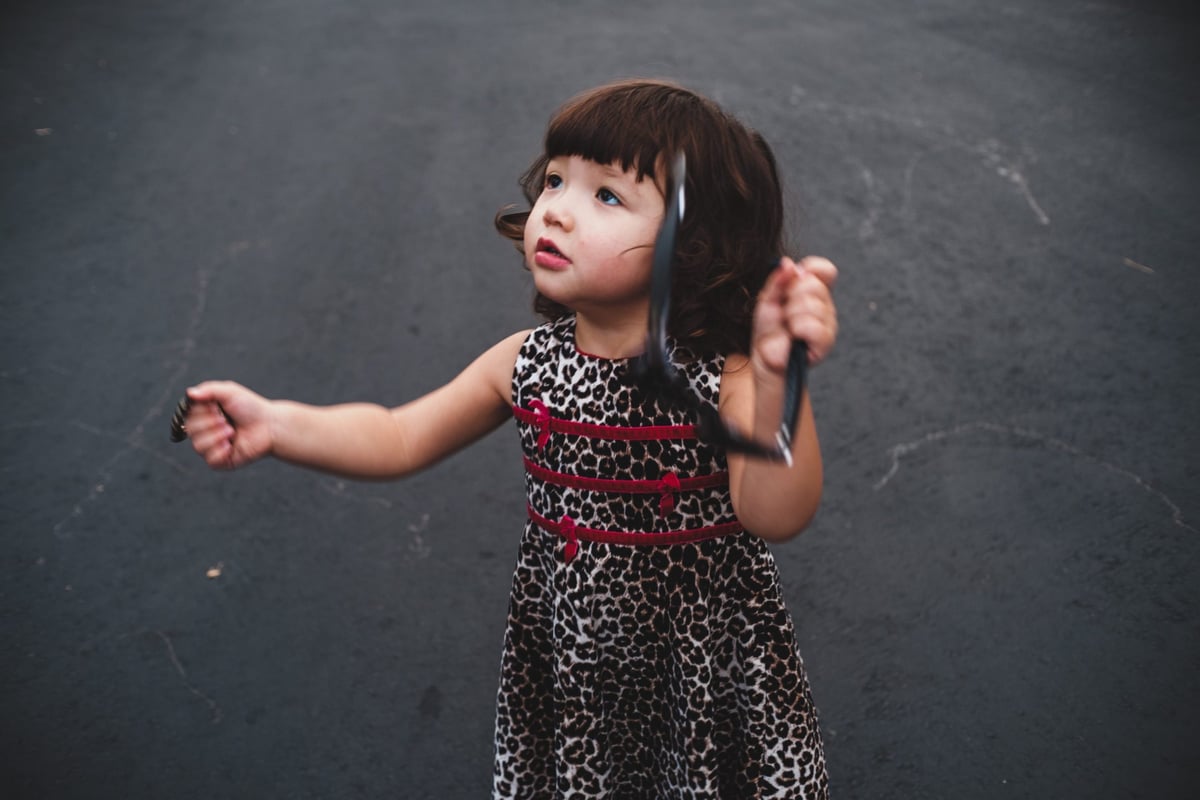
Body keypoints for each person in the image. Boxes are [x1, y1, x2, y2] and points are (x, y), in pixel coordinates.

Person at [183, 79, 839, 799]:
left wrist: (778, 383)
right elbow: (399, 435)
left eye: (607, 195)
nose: (556, 209)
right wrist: (279, 424)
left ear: (694, 245)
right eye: (556, 180)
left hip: (706, 663)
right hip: (576, 658)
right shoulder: (523, 362)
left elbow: (776, 514)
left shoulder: (727, 376)